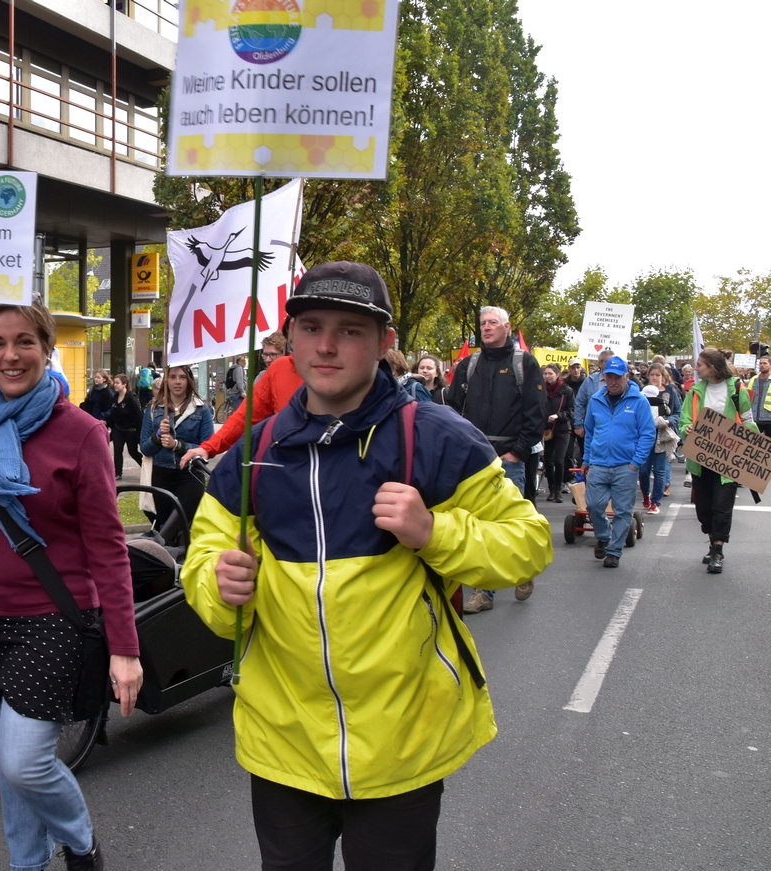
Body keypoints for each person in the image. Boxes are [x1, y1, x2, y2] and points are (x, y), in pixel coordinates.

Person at [182, 260, 553, 871]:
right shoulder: (251, 456)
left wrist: (435, 532)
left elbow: (527, 544)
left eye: (350, 330)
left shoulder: (437, 438)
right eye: (311, 327)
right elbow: (205, 572)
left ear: (384, 343)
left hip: (402, 746)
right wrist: (219, 585)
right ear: (289, 338)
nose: (326, 345)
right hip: (284, 742)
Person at [0, 298, 141, 871]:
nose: (10, 354)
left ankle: (80, 842)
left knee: (24, 763)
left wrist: (125, 647)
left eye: (25, 341)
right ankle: (28, 864)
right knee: (7, 760)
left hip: (52, 618)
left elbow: (107, 547)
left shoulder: (82, 432)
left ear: (47, 349)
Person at [446, 306, 545, 612]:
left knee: (510, 522)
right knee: (477, 523)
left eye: (492, 323)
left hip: (509, 458)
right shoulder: (468, 365)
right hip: (474, 457)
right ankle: (484, 593)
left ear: (506, 327)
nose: (486, 328)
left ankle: (524, 569)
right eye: (483, 323)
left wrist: (518, 451)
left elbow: (536, 411)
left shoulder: (524, 363)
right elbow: (452, 409)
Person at [681, 347, 756, 574]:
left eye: (700, 365)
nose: (696, 368)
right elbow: (683, 421)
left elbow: (747, 422)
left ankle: (718, 551)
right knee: (704, 509)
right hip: (701, 458)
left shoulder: (737, 389)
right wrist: (688, 428)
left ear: (712, 368)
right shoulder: (695, 391)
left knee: (722, 506)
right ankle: (712, 540)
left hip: (728, 460)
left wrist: (753, 451)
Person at [582, 356, 656, 569]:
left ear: (627, 376)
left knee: (623, 511)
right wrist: (587, 459)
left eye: (617, 377)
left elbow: (647, 434)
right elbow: (589, 431)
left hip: (626, 466)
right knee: (594, 505)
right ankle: (604, 536)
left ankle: (614, 551)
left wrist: (636, 462)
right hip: (599, 464)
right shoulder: (596, 400)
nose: (613, 381)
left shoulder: (638, 401)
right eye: (609, 377)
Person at [181, 352, 304, 467]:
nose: (323, 346)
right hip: (287, 465)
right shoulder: (280, 369)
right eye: (310, 329)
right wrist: (208, 447)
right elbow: (244, 417)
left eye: (272, 354)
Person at [140, 365, 215, 532]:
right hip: (161, 475)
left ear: (189, 380)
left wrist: (178, 446)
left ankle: (186, 556)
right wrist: (157, 436)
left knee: (183, 527)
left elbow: (207, 449)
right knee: (165, 527)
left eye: (182, 377)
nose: (177, 381)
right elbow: (145, 448)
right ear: (166, 380)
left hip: (190, 475)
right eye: (172, 377)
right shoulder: (153, 409)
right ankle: (166, 557)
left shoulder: (201, 409)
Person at [638, 364, 681, 515]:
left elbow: (677, 412)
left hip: (662, 435)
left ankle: (655, 502)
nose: (655, 378)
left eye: (658, 375)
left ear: (663, 376)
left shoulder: (670, 392)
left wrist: (668, 421)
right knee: (643, 470)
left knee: (660, 470)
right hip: (645, 435)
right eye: (652, 375)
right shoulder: (642, 393)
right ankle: (645, 494)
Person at [541, 365, 574, 503]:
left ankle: (559, 490)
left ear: (557, 374)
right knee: (548, 460)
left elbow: (572, 411)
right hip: (547, 429)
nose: (547, 376)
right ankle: (552, 488)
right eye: (545, 373)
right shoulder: (540, 389)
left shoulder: (566, 390)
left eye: (550, 373)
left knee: (559, 460)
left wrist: (559, 416)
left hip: (562, 428)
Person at [108, 372, 143, 479]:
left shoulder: (131, 398)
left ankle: (147, 469)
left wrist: (141, 434)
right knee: (117, 450)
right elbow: (113, 414)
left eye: (117, 383)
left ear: (124, 384)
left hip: (131, 430)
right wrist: (108, 424)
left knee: (133, 452)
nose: (115, 385)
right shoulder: (115, 397)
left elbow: (139, 417)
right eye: (114, 383)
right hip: (118, 429)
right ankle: (118, 473)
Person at [750, 355, 771, 437]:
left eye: (765, 363)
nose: (762, 365)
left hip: (769, 418)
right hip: (755, 418)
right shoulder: (753, 380)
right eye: (760, 363)